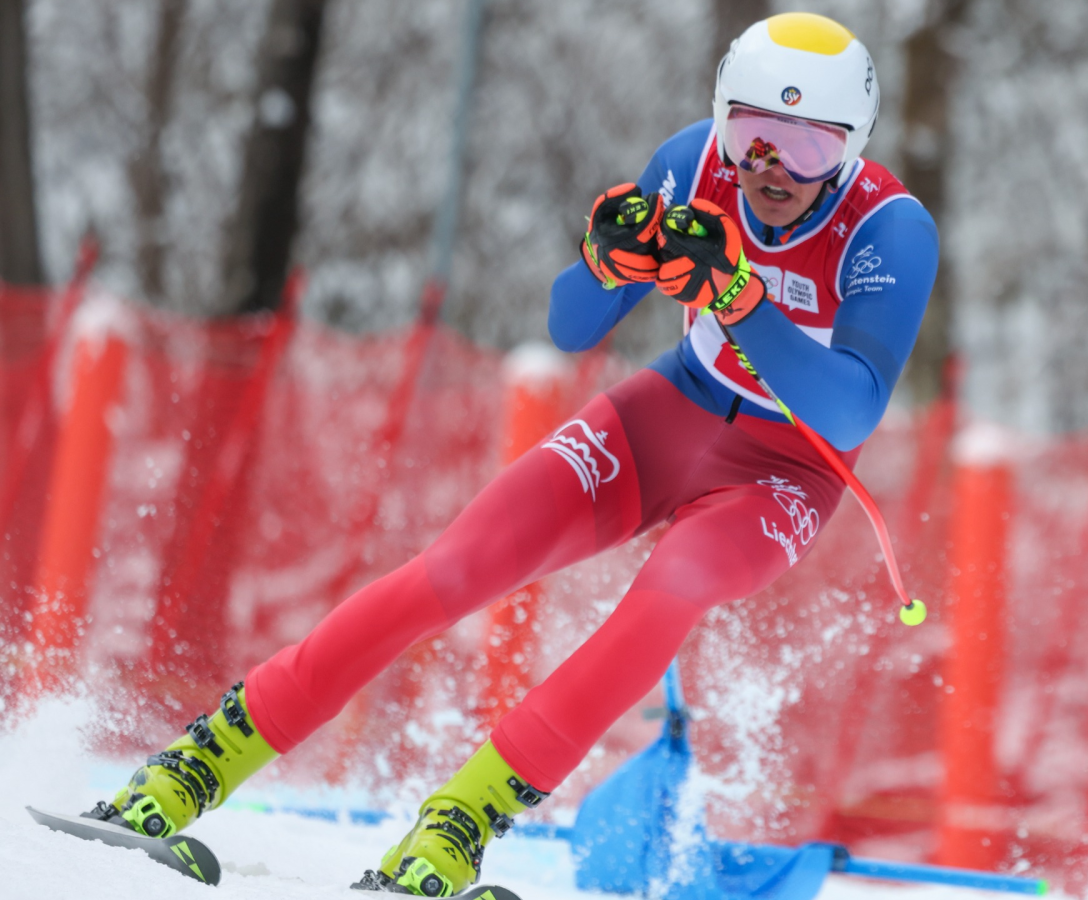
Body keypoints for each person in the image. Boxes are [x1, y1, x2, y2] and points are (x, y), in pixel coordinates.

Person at [87, 12, 939, 896]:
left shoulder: (891, 231)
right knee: (455, 567)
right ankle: (195, 767)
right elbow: (572, 326)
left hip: (785, 473)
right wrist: (611, 264)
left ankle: (460, 824)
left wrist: (735, 294)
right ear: (722, 121)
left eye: (807, 148)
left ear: (853, 146)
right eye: (754, 137)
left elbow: (849, 408)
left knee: (670, 592)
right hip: (670, 413)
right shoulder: (692, 165)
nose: (771, 171)